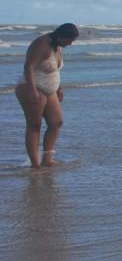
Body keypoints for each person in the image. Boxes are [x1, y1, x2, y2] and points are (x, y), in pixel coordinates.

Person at [14, 23, 79, 168]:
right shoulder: (42, 43)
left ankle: (47, 158)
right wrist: (32, 90)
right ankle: (35, 164)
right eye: (70, 40)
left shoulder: (58, 45)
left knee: (56, 122)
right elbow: (28, 66)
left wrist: (58, 87)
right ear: (62, 36)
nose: (71, 43)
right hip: (31, 86)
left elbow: (54, 69)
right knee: (34, 125)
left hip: (50, 89)